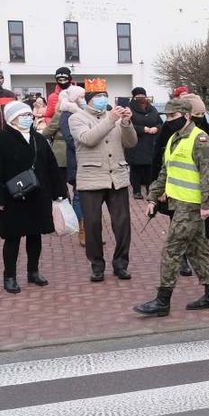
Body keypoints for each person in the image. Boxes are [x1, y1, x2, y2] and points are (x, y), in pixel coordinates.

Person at [133, 97, 209, 316]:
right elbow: (166, 172)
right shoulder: (174, 138)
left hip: (191, 206)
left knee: (171, 250)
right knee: (198, 250)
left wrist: (206, 204)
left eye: (173, 116)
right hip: (177, 203)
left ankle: (162, 301)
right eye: (167, 116)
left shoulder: (200, 139)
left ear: (187, 115)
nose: (169, 120)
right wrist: (153, 197)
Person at [0, 101, 67, 293]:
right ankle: (9, 276)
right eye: (24, 115)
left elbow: (51, 167)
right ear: (12, 118)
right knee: (12, 238)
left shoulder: (38, 138)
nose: (29, 118)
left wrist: (59, 192)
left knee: (35, 236)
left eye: (30, 115)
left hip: (38, 196)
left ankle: (33, 271)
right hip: (12, 197)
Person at [68, 78, 138, 282]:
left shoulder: (114, 116)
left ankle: (121, 264)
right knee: (92, 224)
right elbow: (88, 139)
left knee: (122, 223)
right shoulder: (77, 118)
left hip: (117, 176)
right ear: (89, 99)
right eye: (98, 96)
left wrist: (125, 123)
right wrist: (111, 120)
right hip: (91, 178)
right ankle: (97, 265)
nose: (102, 99)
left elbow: (131, 142)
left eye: (104, 96)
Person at [153, 92, 209, 277]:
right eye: (198, 115)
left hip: (197, 197)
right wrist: (157, 192)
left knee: (194, 241)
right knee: (183, 242)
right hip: (177, 195)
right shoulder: (171, 133)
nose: (201, 118)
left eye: (203, 115)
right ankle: (202, 282)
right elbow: (162, 162)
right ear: (189, 114)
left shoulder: (201, 135)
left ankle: (166, 296)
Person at [56, 84, 87, 247]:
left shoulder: (85, 112)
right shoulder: (66, 114)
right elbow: (70, 138)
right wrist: (88, 143)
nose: (83, 99)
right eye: (81, 96)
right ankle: (81, 229)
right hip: (76, 159)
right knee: (79, 194)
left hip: (88, 159)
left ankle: (91, 230)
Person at [125, 87, 161, 202]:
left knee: (149, 169)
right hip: (136, 144)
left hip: (150, 144)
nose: (141, 98)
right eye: (138, 96)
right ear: (134, 97)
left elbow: (160, 123)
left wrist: (156, 128)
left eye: (143, 95)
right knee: (136, 169)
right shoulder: (129, 109)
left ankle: (150, 190)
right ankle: (136, 191)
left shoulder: (152, 109)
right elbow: (127, 124)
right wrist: (143, 129)